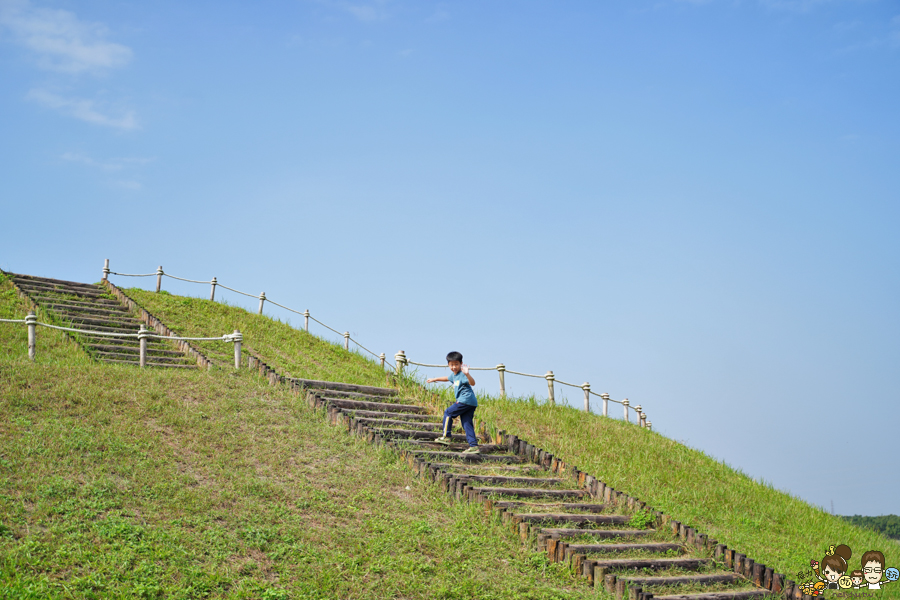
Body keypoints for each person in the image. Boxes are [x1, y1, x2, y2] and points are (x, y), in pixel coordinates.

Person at [426, 351, 480, 454]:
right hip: (471, 403)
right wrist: (434, 379)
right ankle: (474, 446)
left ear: (461, 364)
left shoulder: (463, 374)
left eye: (456, 364)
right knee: (466, 423)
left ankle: (446, 437)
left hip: (466, 400)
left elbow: (472, 383)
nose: (454, 367)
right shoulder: (454, 375)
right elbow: (447, 378)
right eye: (451, 365)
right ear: (448, 365)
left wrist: (467, 374)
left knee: (448, 413)